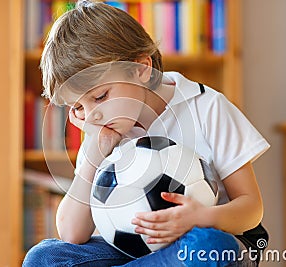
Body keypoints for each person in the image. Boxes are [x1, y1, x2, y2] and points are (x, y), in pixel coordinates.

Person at [23, 1, 270, 266]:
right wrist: (94, 154)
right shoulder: (101, 131)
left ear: (141, 69)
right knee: (44, 257)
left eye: (100, 96)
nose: (93, 114)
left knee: (208, 246)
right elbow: (72, 233)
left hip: (207, 238)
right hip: (134, 252)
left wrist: (199, 218)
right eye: (78, 108)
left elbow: (251, 210)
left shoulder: (206, 106)